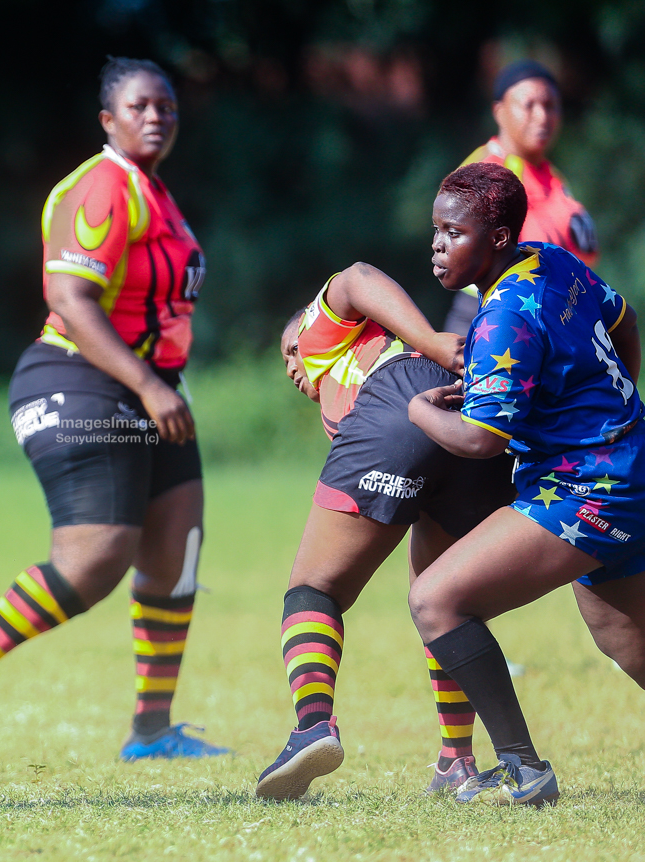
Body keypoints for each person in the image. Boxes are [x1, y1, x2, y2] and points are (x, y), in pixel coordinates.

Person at [0, 57, 226, 763]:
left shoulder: (156, 193)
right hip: (78, 381)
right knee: (96, 558)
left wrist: (159, 387)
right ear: (108, 119)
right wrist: (148, 386)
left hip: (151, 388)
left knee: (176, 549)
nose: (156, 117)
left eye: (167, 107)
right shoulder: (103, 186)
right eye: (140, 106)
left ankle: (152, 730)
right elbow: (69, 299)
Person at [409, 161, 644, 806]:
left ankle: (523, 768)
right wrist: (610, 407)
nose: (438, 246)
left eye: (455, 233)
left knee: (435, 600)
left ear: (499, 239)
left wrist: (418, 410)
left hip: (585, 488)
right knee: (626, 639)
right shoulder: (553, 260)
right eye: (436, 230)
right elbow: (625, 322)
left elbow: (481, 440)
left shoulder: (503, 317)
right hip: (627, 465)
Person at [255, 264, 515, 801]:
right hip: (467, 419)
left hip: (400, 400)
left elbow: (356, 278)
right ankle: (457, 761)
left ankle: (312, 726)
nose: (291, 367)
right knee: (442, 599)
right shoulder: (341, 395)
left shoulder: (324, 339)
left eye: (289, 352)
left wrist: (432, 341)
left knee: (314, 589)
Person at [444, 59, 599, 336]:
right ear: (500, 111)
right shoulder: (484, 172)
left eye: (550, 105)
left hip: (546, 318)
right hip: (491, 322)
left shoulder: (551, 176)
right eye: (529, 105)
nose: (542, 116)